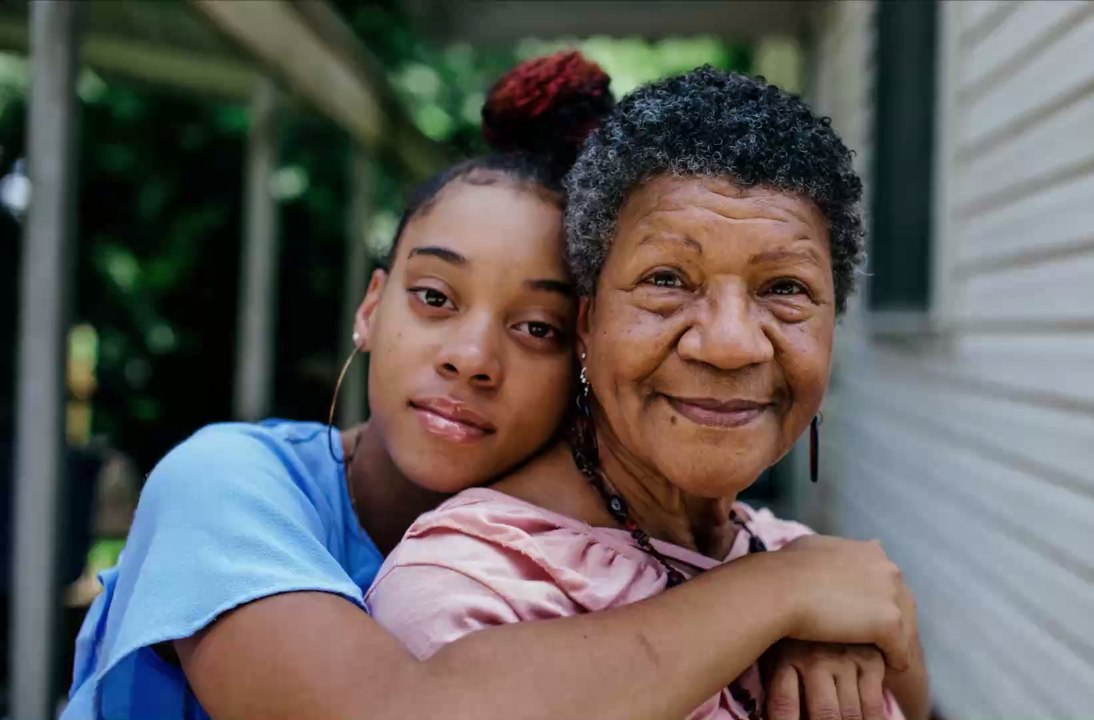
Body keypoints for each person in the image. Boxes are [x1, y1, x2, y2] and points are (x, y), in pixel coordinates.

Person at [62, 54, 918, 720]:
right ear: (371, 307)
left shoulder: (680, 542)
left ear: (582, 343)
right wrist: (783, 592)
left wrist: (829, 624)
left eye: (535, 327)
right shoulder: (231, 486)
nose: (472, 357)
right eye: (435, 298)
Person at [368, 67, 931, 720]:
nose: (730, 344)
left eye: (785, 288)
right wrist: (782, 595)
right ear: (587, 325)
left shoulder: (812, 565)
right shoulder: (474, 585)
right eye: (667, 278)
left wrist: (839, 616)